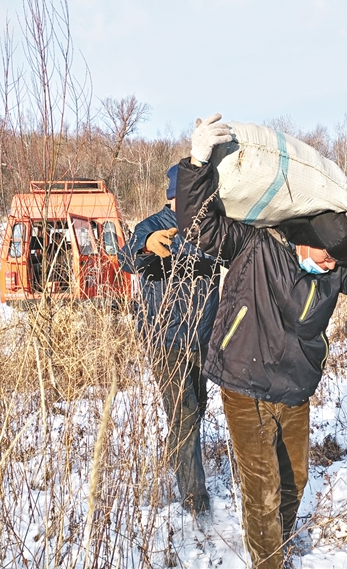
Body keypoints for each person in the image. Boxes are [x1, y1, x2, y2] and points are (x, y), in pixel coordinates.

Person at [175, 114, 347, 567]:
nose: (332, 263)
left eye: (339, 259)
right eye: (326, 254)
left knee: (293, 480)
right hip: (245, 382)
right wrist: (197, 163)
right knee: (261, 488)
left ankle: (276, 541)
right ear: (303, 240)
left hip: (296, 387)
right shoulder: (253, 246)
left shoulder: (334, 275)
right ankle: (268, 560)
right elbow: (199, 227)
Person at [120, 165, 221, 516]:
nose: (195, 202)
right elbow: (126, 258)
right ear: (172, 195)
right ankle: (194, 501)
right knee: (185, 413)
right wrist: (145, 246)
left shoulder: (211, 228)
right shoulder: (153, 226)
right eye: (188, 195)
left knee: (197, 409)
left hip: (202, 338)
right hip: (166, 339)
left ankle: (178, 456)